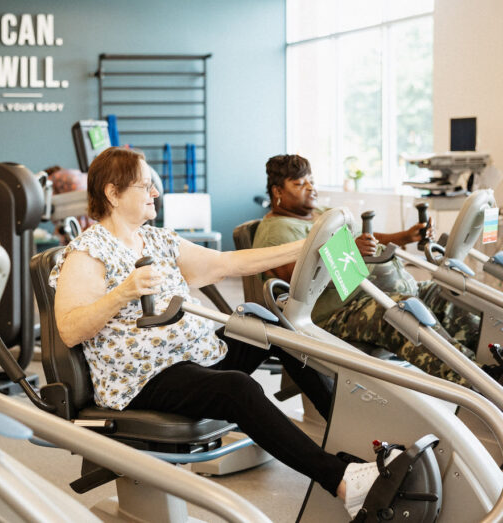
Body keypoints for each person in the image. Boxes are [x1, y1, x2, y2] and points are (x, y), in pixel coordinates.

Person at [50, 147, 392, 518]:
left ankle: (359, 441)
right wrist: (124, 292)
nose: (155, 194)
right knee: (237, 389)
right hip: (143, 378)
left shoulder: (156, 239)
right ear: (113, 194)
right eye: (145, 186)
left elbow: (227, 262)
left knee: (269, 326)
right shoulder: (88, 251)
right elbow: (70, 329)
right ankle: (343, 481)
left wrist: (310, 246)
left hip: (194, 356)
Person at [253, 154, 485, 386]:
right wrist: (347, 252)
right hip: (333, 314)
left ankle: (487, 364)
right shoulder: (275, 232)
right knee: (402, 314)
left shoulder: (321, 213)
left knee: (443, 293)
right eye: (299, 184)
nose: (311, 188)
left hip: (376, 293)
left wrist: (406, 236)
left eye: (311, 181)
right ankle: (473, 381)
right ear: (278, 192)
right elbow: (299, 283)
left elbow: (364, 239)